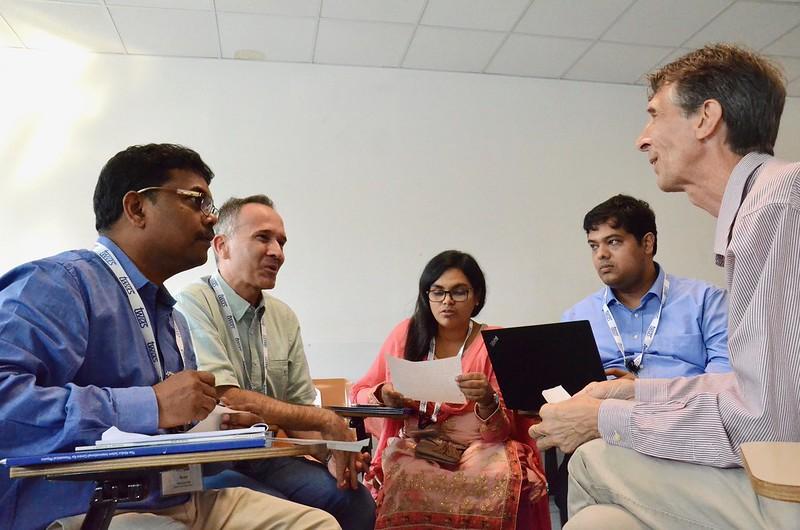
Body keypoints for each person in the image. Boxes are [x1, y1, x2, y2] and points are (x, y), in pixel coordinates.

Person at [0, 144, 339, 530]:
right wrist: (151, 404)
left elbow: (165, 432)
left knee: (316, 524)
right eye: (196, 201)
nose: (211, 220)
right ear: (137, 208)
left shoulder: (172, 319)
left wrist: (218, 427)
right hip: (85, 508)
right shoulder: (60, 284)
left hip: (176, 497)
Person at [530, 44, 800, 529]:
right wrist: (634, 396)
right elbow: (758, 393)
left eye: (654, 115)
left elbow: (766, 427)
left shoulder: (776, 207)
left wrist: (601, 421)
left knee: (591, 460)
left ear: (706, 119)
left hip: (786, 480)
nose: (642, 139)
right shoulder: (771, 200)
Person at [175, 195, 375, 530]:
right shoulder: (192, 304)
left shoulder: (283, 316)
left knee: (355, 501)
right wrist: (326, 421)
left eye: (281, 242)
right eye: (263, 238)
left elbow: (298, 409)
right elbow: (227, 396)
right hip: (211, 462)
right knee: (286, 514)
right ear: (221, 246)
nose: (277, 252)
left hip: (266, 455)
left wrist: (335, 452)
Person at [351, 250, 550, 530]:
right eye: (438, 292)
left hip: (481, 445)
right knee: (408, 471)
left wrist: (486, 400)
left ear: (477, 297)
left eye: (459, 292)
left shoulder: (495, 341)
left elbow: (501, 432)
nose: (447, 301)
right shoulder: (406, 334)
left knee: (497, 473)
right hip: (417, 444)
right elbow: (358, 392)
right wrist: (382, 393)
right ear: (426, 295)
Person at [564, 194, 730, 379]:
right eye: (594, 246)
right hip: (602, 407)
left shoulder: (707, 301)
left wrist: (645, 393)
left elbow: (724, 378)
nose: (601, 254)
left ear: (647, 243)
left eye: (613, 242)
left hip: (680, 407)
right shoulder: (576, 318)